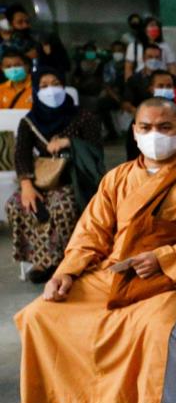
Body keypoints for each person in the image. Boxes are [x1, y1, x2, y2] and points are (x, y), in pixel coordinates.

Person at [16, 98, 176, 403]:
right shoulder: (117, 178)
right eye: (146, 127)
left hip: (172, 276)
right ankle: (95, 402)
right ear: (134, 132)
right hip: (115, 271)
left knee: (157, 328)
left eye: (165, 128)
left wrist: (162, 257)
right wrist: (66, 272)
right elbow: (91, 232)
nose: (155, 135)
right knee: (42, 313)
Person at [6, 67, 103, 284]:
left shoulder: (84, 116)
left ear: (65, 85)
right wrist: (26, 186)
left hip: (75, 178)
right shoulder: (30, 121)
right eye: (44, 85)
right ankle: (41, 260)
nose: (51, 90)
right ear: (36, 90)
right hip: (42, 179)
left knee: (63, 205)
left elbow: (97, 149)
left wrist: (70, 143)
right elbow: (21, 153)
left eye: (56, 83)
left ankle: (66, 262)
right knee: (17, 204)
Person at [124, 69, 176, 161]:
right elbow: (132, 152)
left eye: (169, 86)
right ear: (151, 88)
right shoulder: (141, 116)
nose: (165, 89)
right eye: (160, 86)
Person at [124, 16, 176, 80]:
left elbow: (172, 66)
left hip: (161, 79)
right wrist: (129, 85)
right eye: (152, 25)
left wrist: (174, 82)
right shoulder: (134, 46)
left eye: (157, 26)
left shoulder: (165, 46)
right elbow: (128, 68)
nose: (155, 28)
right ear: (144, 28)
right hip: (141, 80)